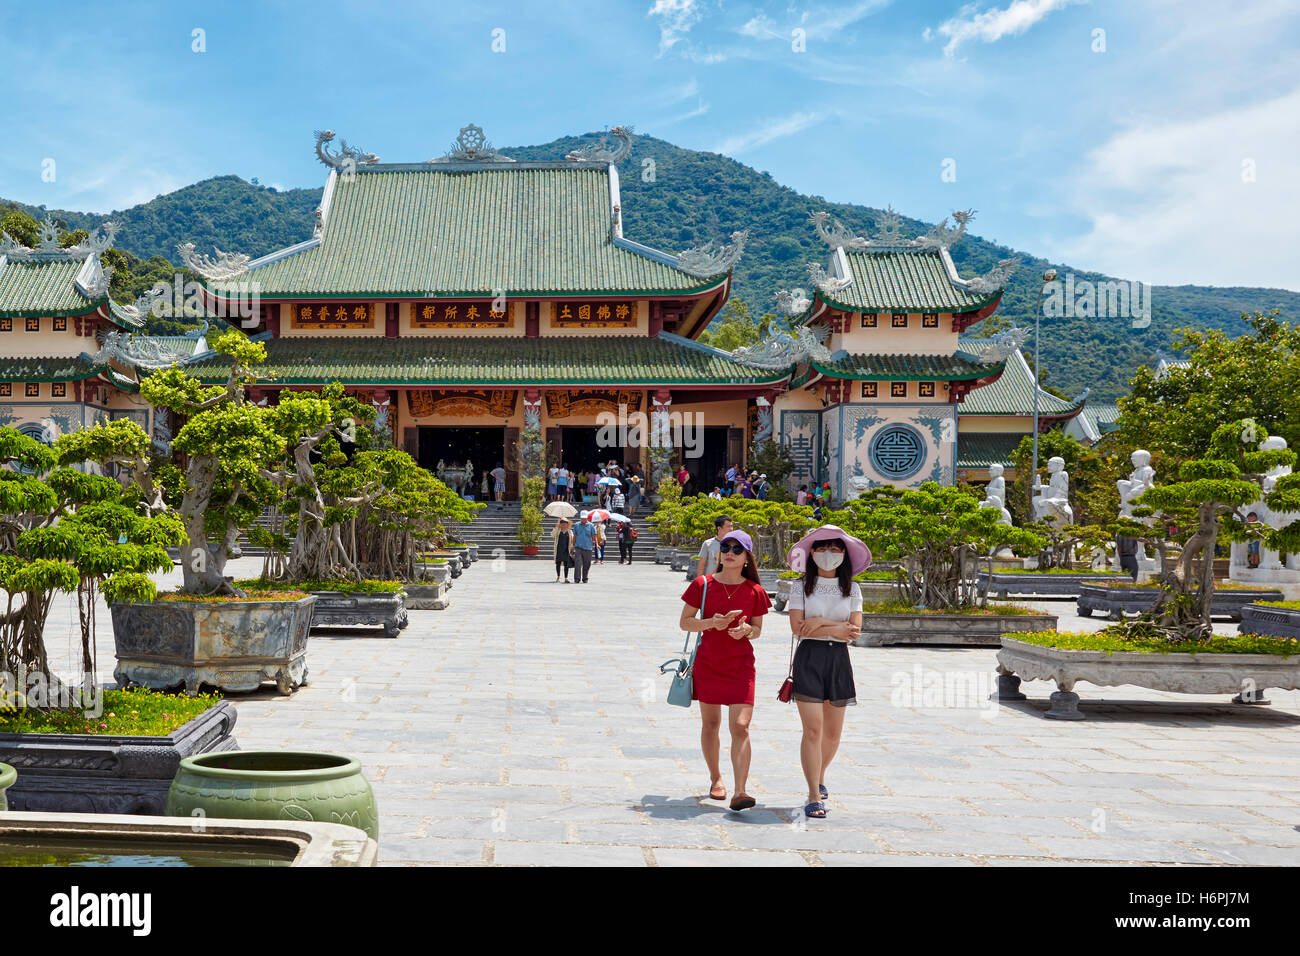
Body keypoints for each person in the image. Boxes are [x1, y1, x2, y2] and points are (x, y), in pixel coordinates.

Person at [678, 529, 771, 812]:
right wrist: (710, 623)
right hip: (709, 662)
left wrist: (745, 630)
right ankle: (716, 777)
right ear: (718, 554)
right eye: (725, 547)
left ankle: (741, 790)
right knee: (711, 724)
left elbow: (757, 630)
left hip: (741, 665)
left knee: (740, 726)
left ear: (746, 558)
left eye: (736, 549)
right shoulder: (702, 584)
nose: (729, 553)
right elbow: (685, 622)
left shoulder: (755, 591)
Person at [785, 525, 869, 819]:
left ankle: (820, 777)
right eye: (821, 548)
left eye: (835, 548)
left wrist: (818, 623)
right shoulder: (801, 586)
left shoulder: (853, 588)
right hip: (809, 658)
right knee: (813, 730)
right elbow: (798, 628)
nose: (827, 554)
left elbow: (854, 632)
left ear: (844, 553)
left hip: (838, 659)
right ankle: (812, 794)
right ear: (811, 553)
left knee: (832, 734)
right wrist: (831, 625)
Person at [697, 514, 733, 579]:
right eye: (728, 526)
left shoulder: (735, 544)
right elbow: (701, 565)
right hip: (711, 583)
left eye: (731, 526)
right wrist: (700, 583)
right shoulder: (708, 544)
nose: (731, 529)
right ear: (719, 528)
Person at [572, 511, 596, 583]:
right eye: (582, 518)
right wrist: (573, 545)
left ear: (587, 518)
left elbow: (593, 535)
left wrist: (596, 543)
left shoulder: (591, 525)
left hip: (588, 547)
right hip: (578, 547)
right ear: (580, 518)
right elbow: (575, 536)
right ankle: (577, 578)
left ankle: (585, 577)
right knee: (578, 563)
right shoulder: (577, 525)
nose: (583, 519)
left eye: (585, 518)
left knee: (587, 563)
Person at [552, 518, 575, 583]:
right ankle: (558, 577)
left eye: (565, 524)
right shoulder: (558, 531)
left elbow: (572, 540)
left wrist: (573, 546)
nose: (564, 525)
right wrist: (556, 527)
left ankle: (566, 578)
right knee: (558, 563)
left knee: (566, 564)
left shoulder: (570, 532)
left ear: (567, 524)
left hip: (566, 550)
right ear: (560, 524)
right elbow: (552, 535)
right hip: (558, 549)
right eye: (562, 524)